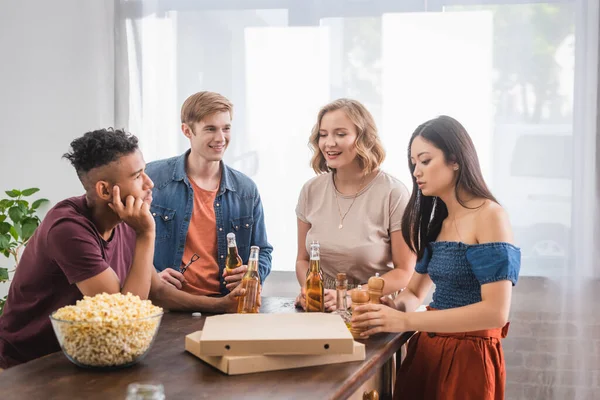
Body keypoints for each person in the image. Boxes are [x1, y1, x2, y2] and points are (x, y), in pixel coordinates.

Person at [0, 128, 243, 369]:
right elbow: (123, 320)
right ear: (105, 190)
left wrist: (222, 305)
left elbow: (156, 290)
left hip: (83, 357)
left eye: (144, 172)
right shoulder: (68, 230)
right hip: (28, 367)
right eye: (137, 176)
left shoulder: (125, 217)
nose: (150, 183)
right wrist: (146, 233)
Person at [351, 115, 521, 400]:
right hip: (428, 352)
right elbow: (415, 292)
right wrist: (391, 307)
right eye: (413, 163)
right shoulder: (438, 221)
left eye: (425, 161)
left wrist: (404, 323)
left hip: (469, 360)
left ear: (455, 159)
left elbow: (495, 312)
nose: (417, 171)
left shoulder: (490, 215)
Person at [145, 91, 272, 297]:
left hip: (226, 304)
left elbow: (263, 251)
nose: (220, 138)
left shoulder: (246, 190)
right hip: (169, 304)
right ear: (187, 131)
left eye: (226, 128)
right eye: (210, 129)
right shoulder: (152, 179)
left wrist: (252, 274)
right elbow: (123, 243)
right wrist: (152, 277)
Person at [295, 98, 415, 311]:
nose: (329, 143)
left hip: (373, 308)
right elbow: (302, 260)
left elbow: (404, 272)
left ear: (364, 138)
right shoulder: (310, 190)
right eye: (323, 135)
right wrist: (311, 291)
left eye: (340, 134)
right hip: (322, 308)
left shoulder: (394, 193)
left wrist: (350, 296)